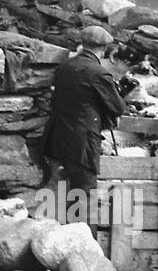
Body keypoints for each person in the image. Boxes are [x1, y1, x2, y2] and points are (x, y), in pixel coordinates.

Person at [42, 26, 128, 230]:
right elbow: (117, 107)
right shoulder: (98, 72)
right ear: (106, 49)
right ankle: (84, 244)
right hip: (82, 142)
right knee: (85, 193)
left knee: (65, 189)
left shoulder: (66, 66)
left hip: (58, 137)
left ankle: (64, 237)